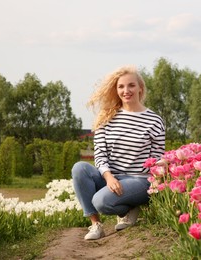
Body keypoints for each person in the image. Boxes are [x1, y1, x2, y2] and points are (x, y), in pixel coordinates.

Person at [71, 65, 165, 240]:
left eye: (131, 85)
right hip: (112, 178)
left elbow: (157, 159)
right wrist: (108, 177)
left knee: (101, 201)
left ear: (140, 88)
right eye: (121, 86)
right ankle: (95, 225)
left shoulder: (154, 120)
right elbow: (100, 155)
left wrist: (158, 182)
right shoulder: (105, 118)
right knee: (79, 169)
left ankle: (130, 206)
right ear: (116, 90)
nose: (126, 90)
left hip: (139, 180)